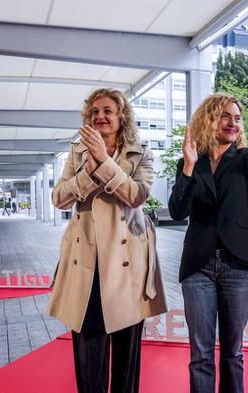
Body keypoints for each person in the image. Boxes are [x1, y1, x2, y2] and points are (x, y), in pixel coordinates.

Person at [168, 46, 248, 393]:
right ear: (208, 119)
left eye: (237, 118)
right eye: (225, 116)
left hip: (237, 264)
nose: (233, 123)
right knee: (200, 353)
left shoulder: (245, 160)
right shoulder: (191, 161)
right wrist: (186, 168)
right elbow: (176, 212)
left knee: (232, 352)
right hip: (198, 264)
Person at [47, 88, 167, 393]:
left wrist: (104, 161)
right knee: (89, 363)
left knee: (127, 364)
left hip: (127, 267)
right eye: (95, 111)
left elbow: (138, 195)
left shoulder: (142, 151)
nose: (100, 116)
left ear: (121, 116)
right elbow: (59, 199)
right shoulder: (76, 153)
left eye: (108, 111)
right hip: (86, 264)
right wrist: (88, 171)